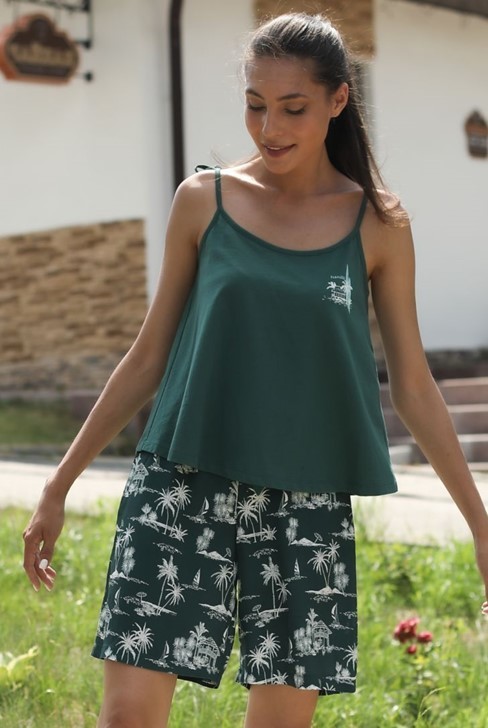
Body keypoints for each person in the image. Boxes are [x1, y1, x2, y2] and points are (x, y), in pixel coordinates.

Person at [23, 12, 488, 728]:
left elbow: (414, 386)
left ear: (338, 100)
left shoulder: (378, 225)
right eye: (255, 104)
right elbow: (148, 355)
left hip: (306, 503)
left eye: (293, 108)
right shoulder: (202, 202)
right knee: (128, 719)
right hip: (179, 484)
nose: (270, 127)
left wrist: (481, 527)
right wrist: (59, 485)